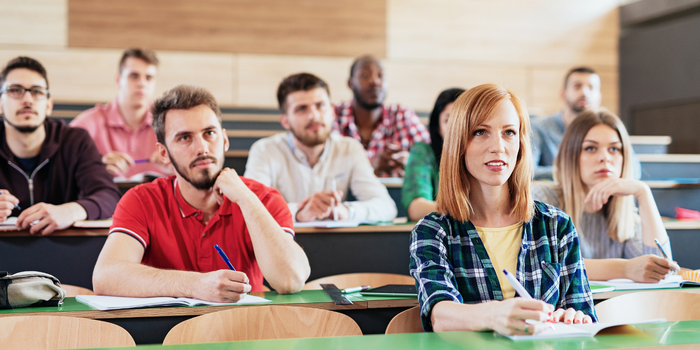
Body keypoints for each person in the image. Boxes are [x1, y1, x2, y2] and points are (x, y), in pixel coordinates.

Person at [409, 84, 596, 335]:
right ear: (458, 144)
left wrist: (573, 317)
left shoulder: (557, 226)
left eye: (509, 132)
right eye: (480, 132)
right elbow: (440, 316)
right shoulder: (433, 230)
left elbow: (583, 312)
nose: (498, 146)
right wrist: (495, 315)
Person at [92, 85, 310, 300]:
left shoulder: (263, 198)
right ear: (163, 153)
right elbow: (105, 276)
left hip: (248, 329)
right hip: (166, 333)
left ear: (224, 140)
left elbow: (290, 279)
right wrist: (196, 284)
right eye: (185, 138)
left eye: (210, 133)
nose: (203, 147)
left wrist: (245, 198)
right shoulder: (141, 200)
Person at [532, 109, 680, 283]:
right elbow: (543, 267)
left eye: (614, 149)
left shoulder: (626, 216)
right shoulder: (543, 199)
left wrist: (643, 193)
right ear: (570, 156)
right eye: (590, 148)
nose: (604, 157)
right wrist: (625, 269)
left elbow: (659, 272)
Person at [245, 73, 396, 223]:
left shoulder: (350, 149)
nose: (314, 116)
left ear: (332, 112)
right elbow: (249, 207)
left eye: (320, 106)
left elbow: (386, 207)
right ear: (285, 121)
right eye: (301, 109)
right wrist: (299, 212)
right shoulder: (264, 150)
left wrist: (346, 211)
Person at [0, 56, 120, 235]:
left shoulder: (75, 141)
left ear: (49, 105)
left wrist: (73, 210)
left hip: (63, 251)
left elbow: (109, 195)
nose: (27, 99)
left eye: (37, 91)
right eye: (15, 90)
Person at [71, 48, 170, 179]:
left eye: (149, 78)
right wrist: (95, 167)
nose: (142, 83)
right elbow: (62, 171)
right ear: (118, 79)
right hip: (107, 198)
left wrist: (177, 168)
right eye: (134, 76)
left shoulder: (169, 124)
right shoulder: (86, 125)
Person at [531, 67, 642, 180]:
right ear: (563, 95)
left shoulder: (612, 128)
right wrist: (579, 170)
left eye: (591, 87)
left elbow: (634, 171)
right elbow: (528, 172)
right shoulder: (539, 128)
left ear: (599, 97)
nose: (584, 92)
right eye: (577, 86)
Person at [334, 55, 430, 177]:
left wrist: (413, 163)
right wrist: (370, 167)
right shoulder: (333, 115)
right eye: (365, 75)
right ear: (350, 83)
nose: (375, 81)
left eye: (380, 76)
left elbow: (434, 159)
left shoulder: (402, 115)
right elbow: (324, 170)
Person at [402, 88, 464, 221]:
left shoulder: (489, 155)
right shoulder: (423, 152)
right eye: (448, 121)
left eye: (463, 120)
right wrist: (467, 210)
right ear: (438, 127)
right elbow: (416, 208)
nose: (456, 128)